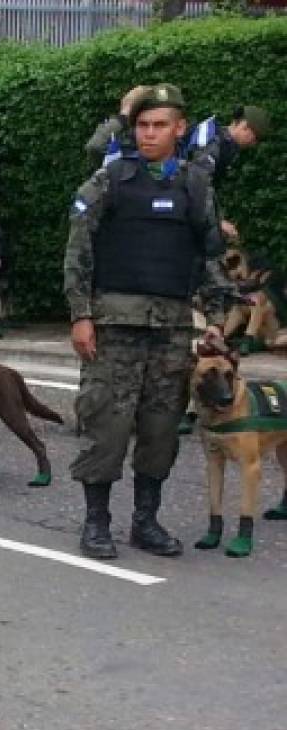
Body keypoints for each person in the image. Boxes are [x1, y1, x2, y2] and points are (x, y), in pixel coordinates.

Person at [65, 84, 237, 560]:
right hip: (113, 327)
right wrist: (80, 315)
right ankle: (96, 522)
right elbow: (78, 251)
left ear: (180, 129)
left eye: (160, 125)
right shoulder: (109, 180)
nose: (149, 133)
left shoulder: (195, 186)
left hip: (172, 331)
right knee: (107, 426)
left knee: (160, 430)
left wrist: (218, 322)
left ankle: (146, 521)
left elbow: (210, 258)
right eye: (142, 125)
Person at [187, 105, 271, 240]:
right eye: (255, 138)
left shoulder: (226, 145)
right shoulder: (212, 141)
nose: (253, 144)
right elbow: (199, 183)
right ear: (244, 126)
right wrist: (217, 221)